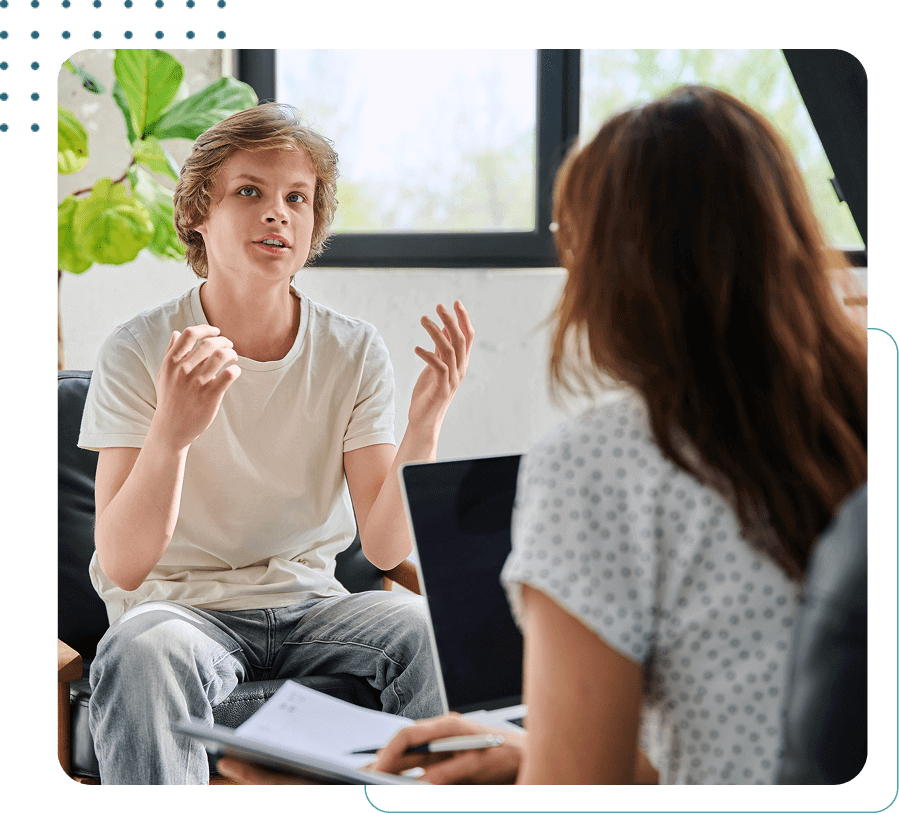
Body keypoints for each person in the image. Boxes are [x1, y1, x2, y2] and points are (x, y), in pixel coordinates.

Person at [79, 102, 474, 784]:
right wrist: (173, 433)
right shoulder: (139, 349)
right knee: (142, 651)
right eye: (249, 192)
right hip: (179, 615)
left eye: (297, 197)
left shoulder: (353, 350)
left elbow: (385, 550)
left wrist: (424, 422)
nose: (277, 214)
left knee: (424, 625)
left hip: (314, 608)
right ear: (198, 213)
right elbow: (123, 564)